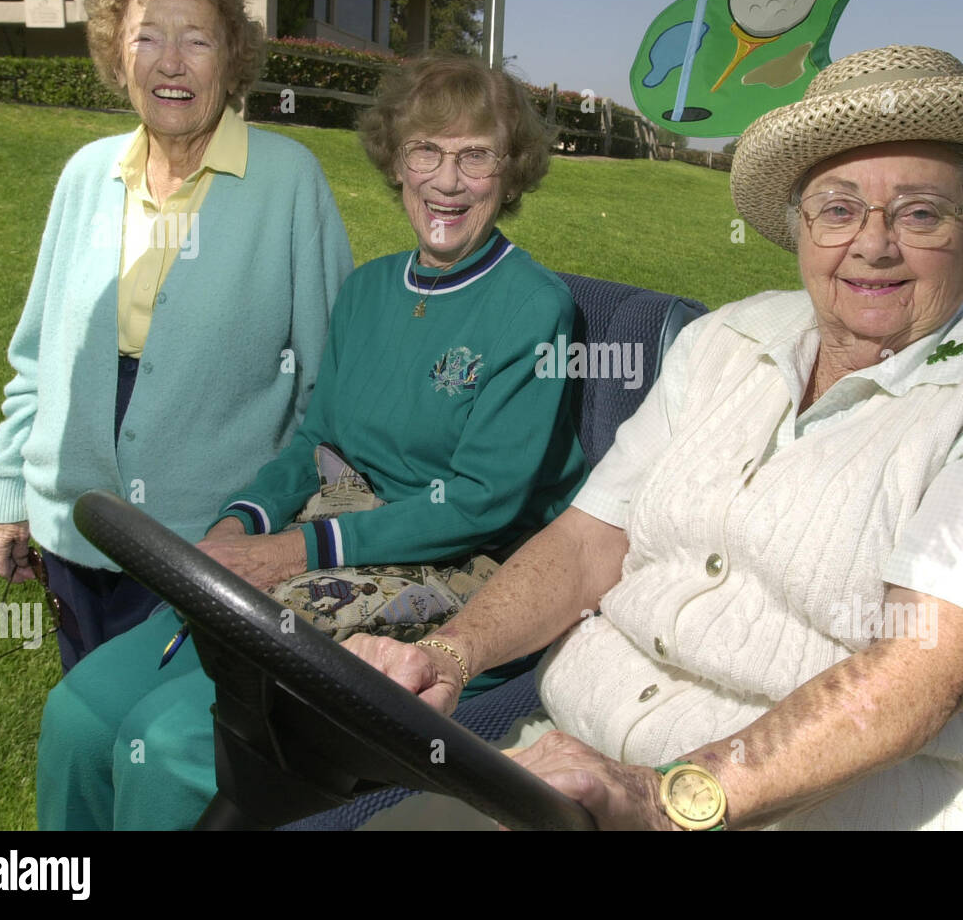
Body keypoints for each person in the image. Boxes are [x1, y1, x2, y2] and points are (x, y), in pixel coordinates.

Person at [347, 45, 963, 830]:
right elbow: (591, 539)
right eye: (837, 208)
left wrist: (666, 796)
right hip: (569, 764)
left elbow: (921, 670)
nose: (873, 243)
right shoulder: (728, 337)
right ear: (799, 225)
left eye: (921, 213)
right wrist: (447, 654)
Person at [35, 52, 587, 830]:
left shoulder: (535, 307)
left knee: (165, 747)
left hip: (459, 575)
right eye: (426, 151)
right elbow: (317, 438)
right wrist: (241, 523)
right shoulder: (367, 290)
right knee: (77, 717)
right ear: (396, 162)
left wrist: (302, 550)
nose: (448, 180)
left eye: (476, 155)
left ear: (513, 170)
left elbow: (482, 502)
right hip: (335, 540)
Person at [0, 0, 352, 672]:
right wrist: (11, 493)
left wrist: (283, 527)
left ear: (233, 57)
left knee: (174, 743)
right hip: (75, 524)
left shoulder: (287, 181)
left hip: (210, 543)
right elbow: (36, 355)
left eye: (197, 41)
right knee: (86, 719)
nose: (171, 63)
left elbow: (330, 381)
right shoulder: (87, 175)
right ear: (118, 56)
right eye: (146, 38)